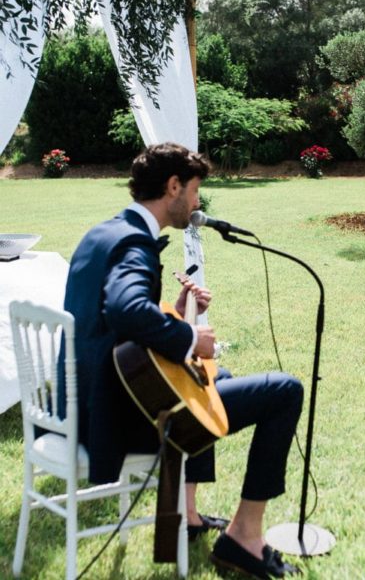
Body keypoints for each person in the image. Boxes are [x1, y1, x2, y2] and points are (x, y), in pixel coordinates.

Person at [59, 142, 303, 578]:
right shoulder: (135, 244)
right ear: (173, 186)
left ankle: (187, 516)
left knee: (216, 376)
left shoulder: (103, 233)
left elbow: (116, 320)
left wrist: (175, 309)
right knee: (284, 390)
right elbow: (126, 310)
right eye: (193, 192)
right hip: (116, 421)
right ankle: (244, 537)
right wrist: (191, 337)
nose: (196, 203)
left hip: (85, 406)